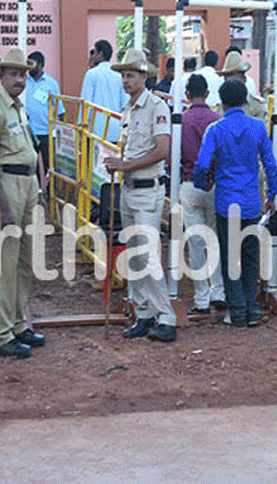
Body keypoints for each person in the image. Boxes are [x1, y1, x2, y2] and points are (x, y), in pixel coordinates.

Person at [0, 47, 47, 358]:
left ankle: (19, 324)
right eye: (13, 74)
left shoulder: (18, 106)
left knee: (24, 261)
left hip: (28, 184)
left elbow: (31, 147)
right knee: (4, 264)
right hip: (6, 185)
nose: (19, 79)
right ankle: (0, 334)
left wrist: (39, 189)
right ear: (1, 75)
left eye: (22, 74)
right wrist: (4, 208)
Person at [103, 49, 177, 342]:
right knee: (134, 256)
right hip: (128, 187)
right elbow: (127, 149)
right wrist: (114, 163)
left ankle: (167, 316)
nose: (125, 80)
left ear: (144, 77)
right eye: (123, 75)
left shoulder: (157, 106)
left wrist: (125, 164)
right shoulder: (128, 109)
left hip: (148, 189)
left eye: (131, 75)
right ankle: (145, 313)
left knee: (147, 254)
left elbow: (161, 150)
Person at [194, 79, 277, 328]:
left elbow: (201, 164)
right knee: (250, 254)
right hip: (252, 202)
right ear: (245, 100)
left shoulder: (216, 129)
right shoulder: (258, 127)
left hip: (226, 202)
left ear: (222, 102)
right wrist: (272, 196)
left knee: (230, 257)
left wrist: (203, 183)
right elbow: (271, 165)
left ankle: (238, 311)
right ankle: (252, 308)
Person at [180, 74, 226, 314]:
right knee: (214, 239)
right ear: (208, 94)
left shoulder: (180, 121)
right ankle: (219, 291)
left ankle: (201, 298)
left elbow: (173, 158)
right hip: (215, 185)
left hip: (190, 184)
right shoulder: (217, 120)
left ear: (187, 95)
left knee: (196, 241)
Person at [24, 51, 64, 176]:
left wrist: (60, 133)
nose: (29, 66)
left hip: (47, 132)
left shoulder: (51, 84)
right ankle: (36, 193)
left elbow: (60, 110)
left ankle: (52, 192)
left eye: (32, 63)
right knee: (31, 166)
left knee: (50, 166)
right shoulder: (24, 81)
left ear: (40, 65)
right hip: (29, 132)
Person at [80, 39, 126, 142]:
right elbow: (125, 104)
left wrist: (81, 125)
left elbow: (85, 102)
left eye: (94, 52)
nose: (92, 55)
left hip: (96, 130)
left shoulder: (91, 74)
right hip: (115, 129)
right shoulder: (119, 76)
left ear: (100, 54)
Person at [219, 51, 268, 122]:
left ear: (243, 79)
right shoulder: (218, 109)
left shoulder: (258, 106)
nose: (230, 83)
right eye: (227, 78)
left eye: (233, 77)